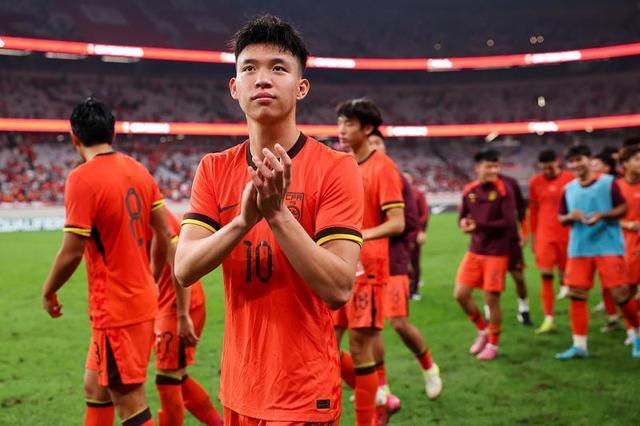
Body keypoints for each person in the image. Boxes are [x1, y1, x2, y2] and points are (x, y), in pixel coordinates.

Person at [174, 15, 364, 425]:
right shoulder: (214, 169)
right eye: (249, 68)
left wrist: (277, 214)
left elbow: (338, 287)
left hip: (303, 393)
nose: (262, 79)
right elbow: (184, 268)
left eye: (278, 68)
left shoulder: (336, 169)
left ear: (301, 87)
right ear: (234, 87)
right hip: (238, 388)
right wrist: (242, 222)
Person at [41, 98, 171, 426]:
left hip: (117, 309)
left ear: (74, 137)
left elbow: (71, 252)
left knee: (129, 401)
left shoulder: (82, 178)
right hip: (139, 299)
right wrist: (152, 275)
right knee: (95, 386)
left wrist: (48, 290)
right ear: (112, 133)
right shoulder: (138, 170)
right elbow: (164, 232)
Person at [333, 99, 405, 425]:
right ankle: (380, 398)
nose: (341, 130)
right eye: (340, 123)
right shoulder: (342, 163)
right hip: (339, 265)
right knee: (325, 343)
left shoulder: (383, 167)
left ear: (367, 128)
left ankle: (372, 413)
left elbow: (397, 223)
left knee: (360, 346)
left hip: (369, 269)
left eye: (349, 124)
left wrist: (360, 234)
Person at [368, 132, 443, 401]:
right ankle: (381, 386)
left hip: (392, 260)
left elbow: (409, 221)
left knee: (399, 322)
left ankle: (429, 367)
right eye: (370, 143)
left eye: (378, 142)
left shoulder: (395, 177)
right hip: (363, 262)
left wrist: (374, 231)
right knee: (370, 328)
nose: (373, 147)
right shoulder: (353, 172)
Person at [555, 144, 640, 360]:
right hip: (579, 248)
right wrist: (570, 217)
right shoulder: (568, 189)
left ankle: (637, 334)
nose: (576, 164)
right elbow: (561, 218)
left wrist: (602, 215)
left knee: (621, 294)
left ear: (589, 159)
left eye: (580, 159)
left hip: (608, 246)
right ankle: (579, 345)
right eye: (572, 161)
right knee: (577, 295)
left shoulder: (608, 183)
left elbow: (623, 208)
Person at [153, 209, 222, 426]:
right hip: (170, 302)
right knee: (177, 376)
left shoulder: (155, 212)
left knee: (167, 376)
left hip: (178, 304)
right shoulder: (143, 207)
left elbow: (177, 262)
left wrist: (183, 315)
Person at [454, 149, 516, 361]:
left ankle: (493, 344)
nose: (494, 170)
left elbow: (508, 222)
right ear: (477, 168)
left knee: (491, 300)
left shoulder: (504, 189)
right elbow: (462, 217)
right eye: (489, 166)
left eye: (496, 166)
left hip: (497, 252)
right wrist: (464, 224)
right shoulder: (469, 190)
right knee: (460, 295)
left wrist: (478, 225)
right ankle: (482, 330)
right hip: (475, 250)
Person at [528, 150, 574, 333]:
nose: (547, 171)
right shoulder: (535, 182)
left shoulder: (570, 179)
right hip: (544, 235)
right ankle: (548, 318)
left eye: (551, 167)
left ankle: (576, 321)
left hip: (567, 234)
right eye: (544, 168)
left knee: (569, 278)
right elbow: (533, 210)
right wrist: (533, 236)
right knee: (546, 274)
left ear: (558, 162)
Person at [616, 145, 640, 346]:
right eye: (637, 159)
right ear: (625, 164)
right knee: (627, 291)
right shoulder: (615, 188)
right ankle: (632, 329)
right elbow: (606, 216)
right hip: (625, 244)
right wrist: (628, 224)